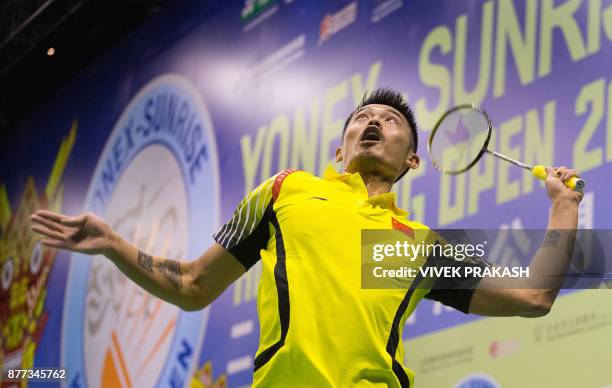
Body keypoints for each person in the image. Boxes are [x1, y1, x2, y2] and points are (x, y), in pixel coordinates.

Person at [30, 88, 582, 387]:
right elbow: (194, 284)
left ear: (412, 158)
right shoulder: (285, 192)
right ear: (339, 148)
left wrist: (563, 209)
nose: (372, 122)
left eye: (389, 121)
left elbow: (535, 297)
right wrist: (112, 243)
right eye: (362, 116)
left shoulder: (413, 245)